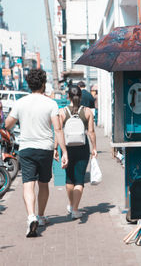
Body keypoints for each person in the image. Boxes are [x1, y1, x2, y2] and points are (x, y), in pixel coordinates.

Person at [5, 69, 68, 237]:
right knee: (43, 183)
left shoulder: (20, 102)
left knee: (28, 184)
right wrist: (64, 151)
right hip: (45, 148)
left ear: (28, 83)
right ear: (43, 84)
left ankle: (31, 216)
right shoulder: (51, 104)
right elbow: (58, 129)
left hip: (26, 148)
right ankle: (40, 216)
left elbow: (8, 124)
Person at [54, 85, 97, 219]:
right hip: (82, 147)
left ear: (68, 96)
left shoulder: (62, 112)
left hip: (67, 148)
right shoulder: (87, 111)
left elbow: (58, 132)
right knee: (79, 180)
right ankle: (75, 209)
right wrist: (94, 148)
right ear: (81, 96)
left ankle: (72, 205)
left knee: (69, 178)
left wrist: (55, 148)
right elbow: (91, 132)